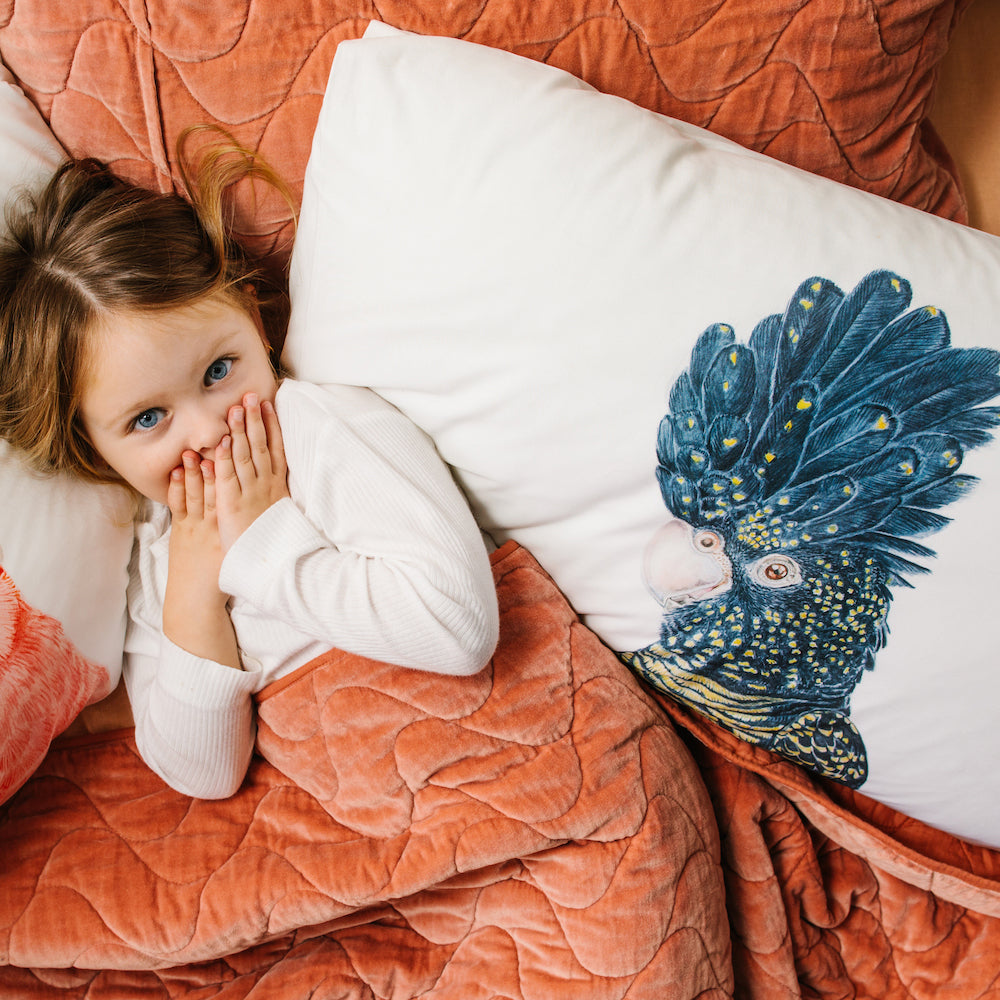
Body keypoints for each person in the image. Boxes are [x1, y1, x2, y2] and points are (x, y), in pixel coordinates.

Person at [0, 147, 499, 799]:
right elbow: (201, 773)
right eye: (148, 419)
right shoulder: (161, 549)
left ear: (253, 319)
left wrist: (263, 540)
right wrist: (193, 591)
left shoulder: (319, 429)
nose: (207, 431)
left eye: (217, 371)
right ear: (95, 453)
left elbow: (458, 628)